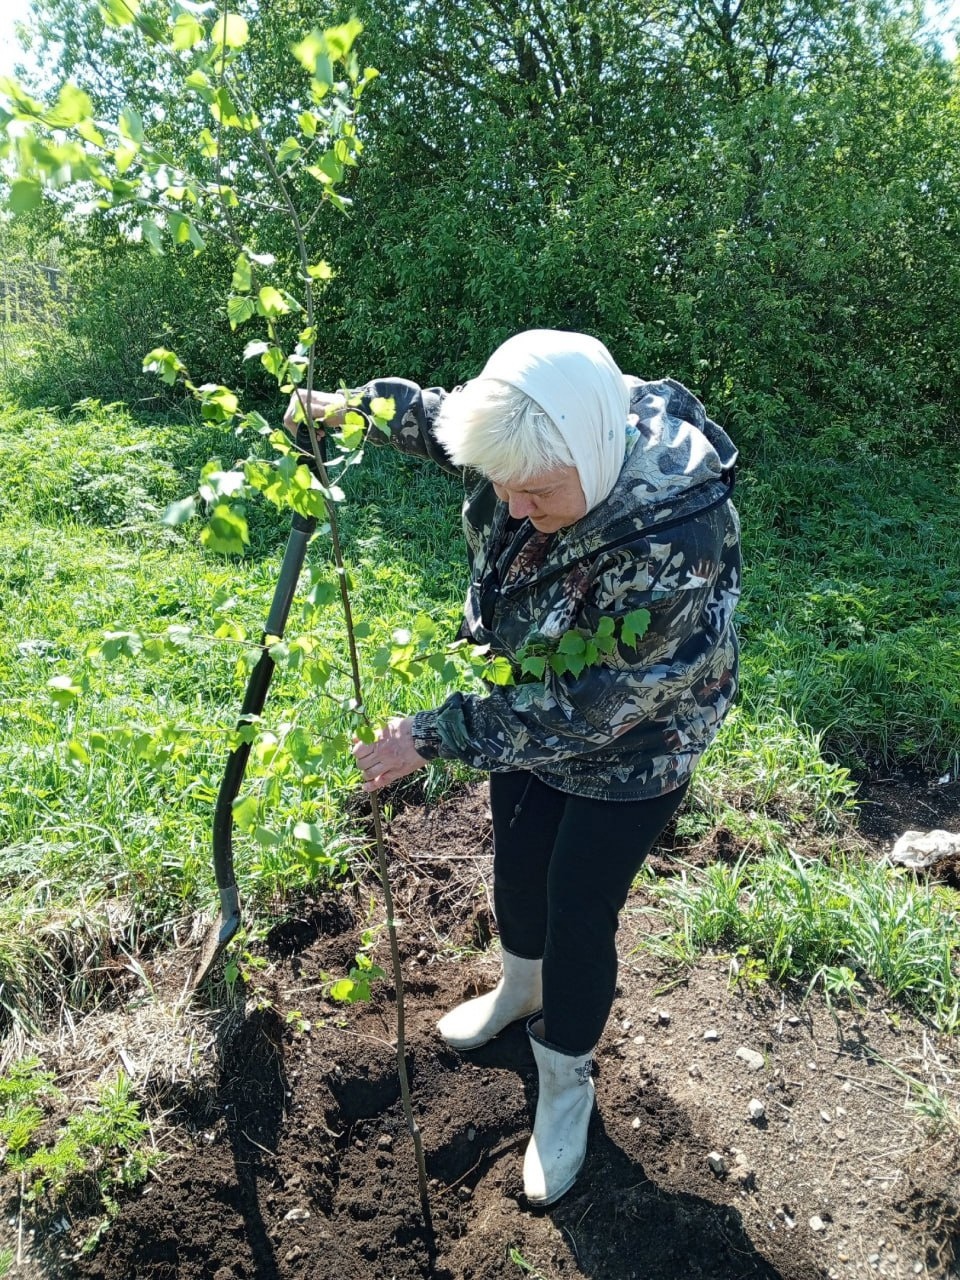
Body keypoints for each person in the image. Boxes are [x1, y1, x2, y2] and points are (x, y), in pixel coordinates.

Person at [284, 329, 740, 1206]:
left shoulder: (679, 530)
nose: (518, 508)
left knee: (578, 904)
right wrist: (350, 408)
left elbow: (593, 708)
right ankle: (519, 990)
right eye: (502, 487)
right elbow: (431, 416)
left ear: (594, 450)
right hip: (523, 695)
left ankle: (566, 1083)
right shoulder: (537, 425)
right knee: (518, 866)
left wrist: (433, 733)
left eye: (536, 491)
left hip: (638, 744)